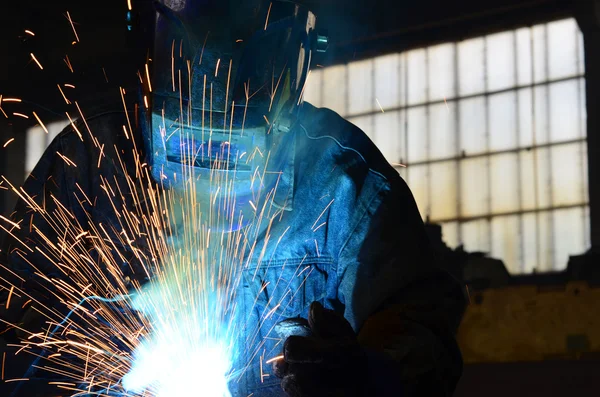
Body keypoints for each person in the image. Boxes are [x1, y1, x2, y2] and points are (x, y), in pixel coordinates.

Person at [0, 0, 466, 396]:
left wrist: (366, 373)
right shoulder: (89, 162)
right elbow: (12, 328)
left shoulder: (344, 182)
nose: (210, 163)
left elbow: (421, 332)